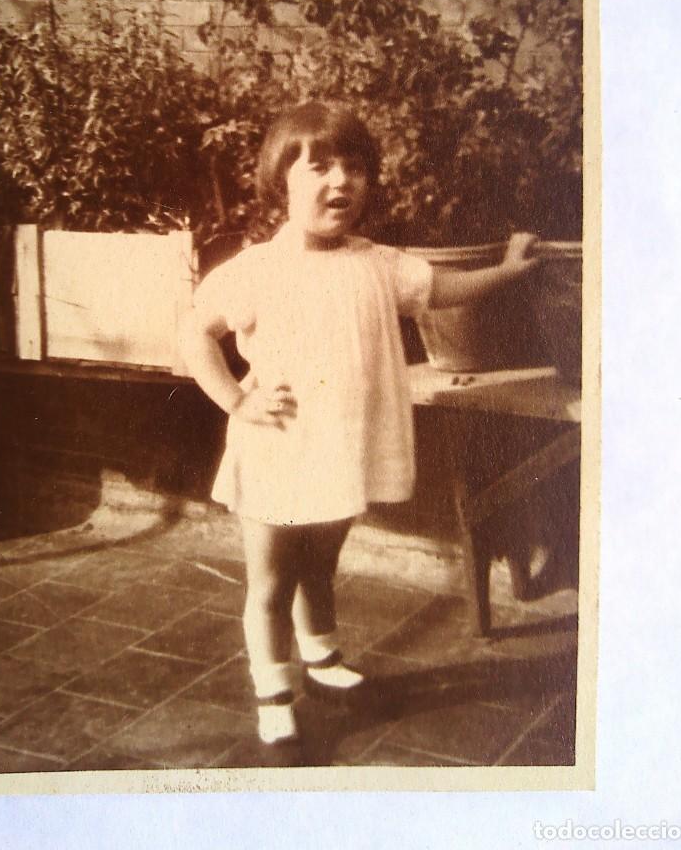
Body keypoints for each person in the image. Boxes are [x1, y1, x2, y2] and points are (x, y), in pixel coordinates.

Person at [178, 101, 538, 757]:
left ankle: (320, 657)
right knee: (271, 582)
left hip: (341, 448)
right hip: (278, 448)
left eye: (355, 168)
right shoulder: (258, 268)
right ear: (280, 181)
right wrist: (235, 400)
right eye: (319, 167)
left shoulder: (379, 264)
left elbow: (446, 291)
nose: (340, 182)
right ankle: (273, 695)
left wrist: (510, 273)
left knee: (321, 561)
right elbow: (195, 334)